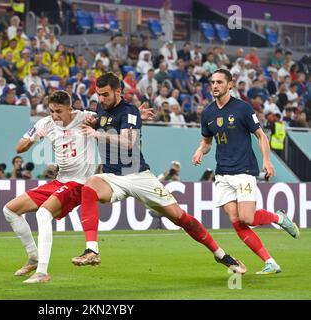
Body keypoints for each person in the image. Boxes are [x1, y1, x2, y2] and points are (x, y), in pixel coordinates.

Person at [73, 72, 247, 275]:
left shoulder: (128, 110)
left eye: (105, 95)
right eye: (98, 95)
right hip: (113, 177)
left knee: (180, 218)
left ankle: (221, 255)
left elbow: (128, 141)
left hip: (138, 175)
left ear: (118, 91)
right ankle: (92, 249)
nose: (101, 99)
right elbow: (113, 123)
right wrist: (101, 124)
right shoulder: (106, 110)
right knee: (89, 188)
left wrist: (98, 133)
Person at [192, 68, 300, 275]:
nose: (214, 86)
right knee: (235, 219)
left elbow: (261, 136)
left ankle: (279, 218)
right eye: (212, 82)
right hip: (222, 173)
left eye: (219, 82)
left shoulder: (242, 108)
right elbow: (206, 142)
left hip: (243, 169)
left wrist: (267, 160)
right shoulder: (207, 113)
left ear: (230, 85)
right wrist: (199, 150)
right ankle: (270, 262)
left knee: (247, 218)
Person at [2, 91, 98, 284]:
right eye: (52, 111)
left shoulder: (85, 118)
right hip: (59, 181)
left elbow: (112, 119)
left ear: (70, 109)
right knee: (10, 210)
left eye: (59, 112)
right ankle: (33, 256)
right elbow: (19, 148)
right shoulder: (45, 123)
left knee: (43, 214)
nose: (54, 116)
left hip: (79, 183)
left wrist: (133, 115)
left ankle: (42, 272)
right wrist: (35, 137)